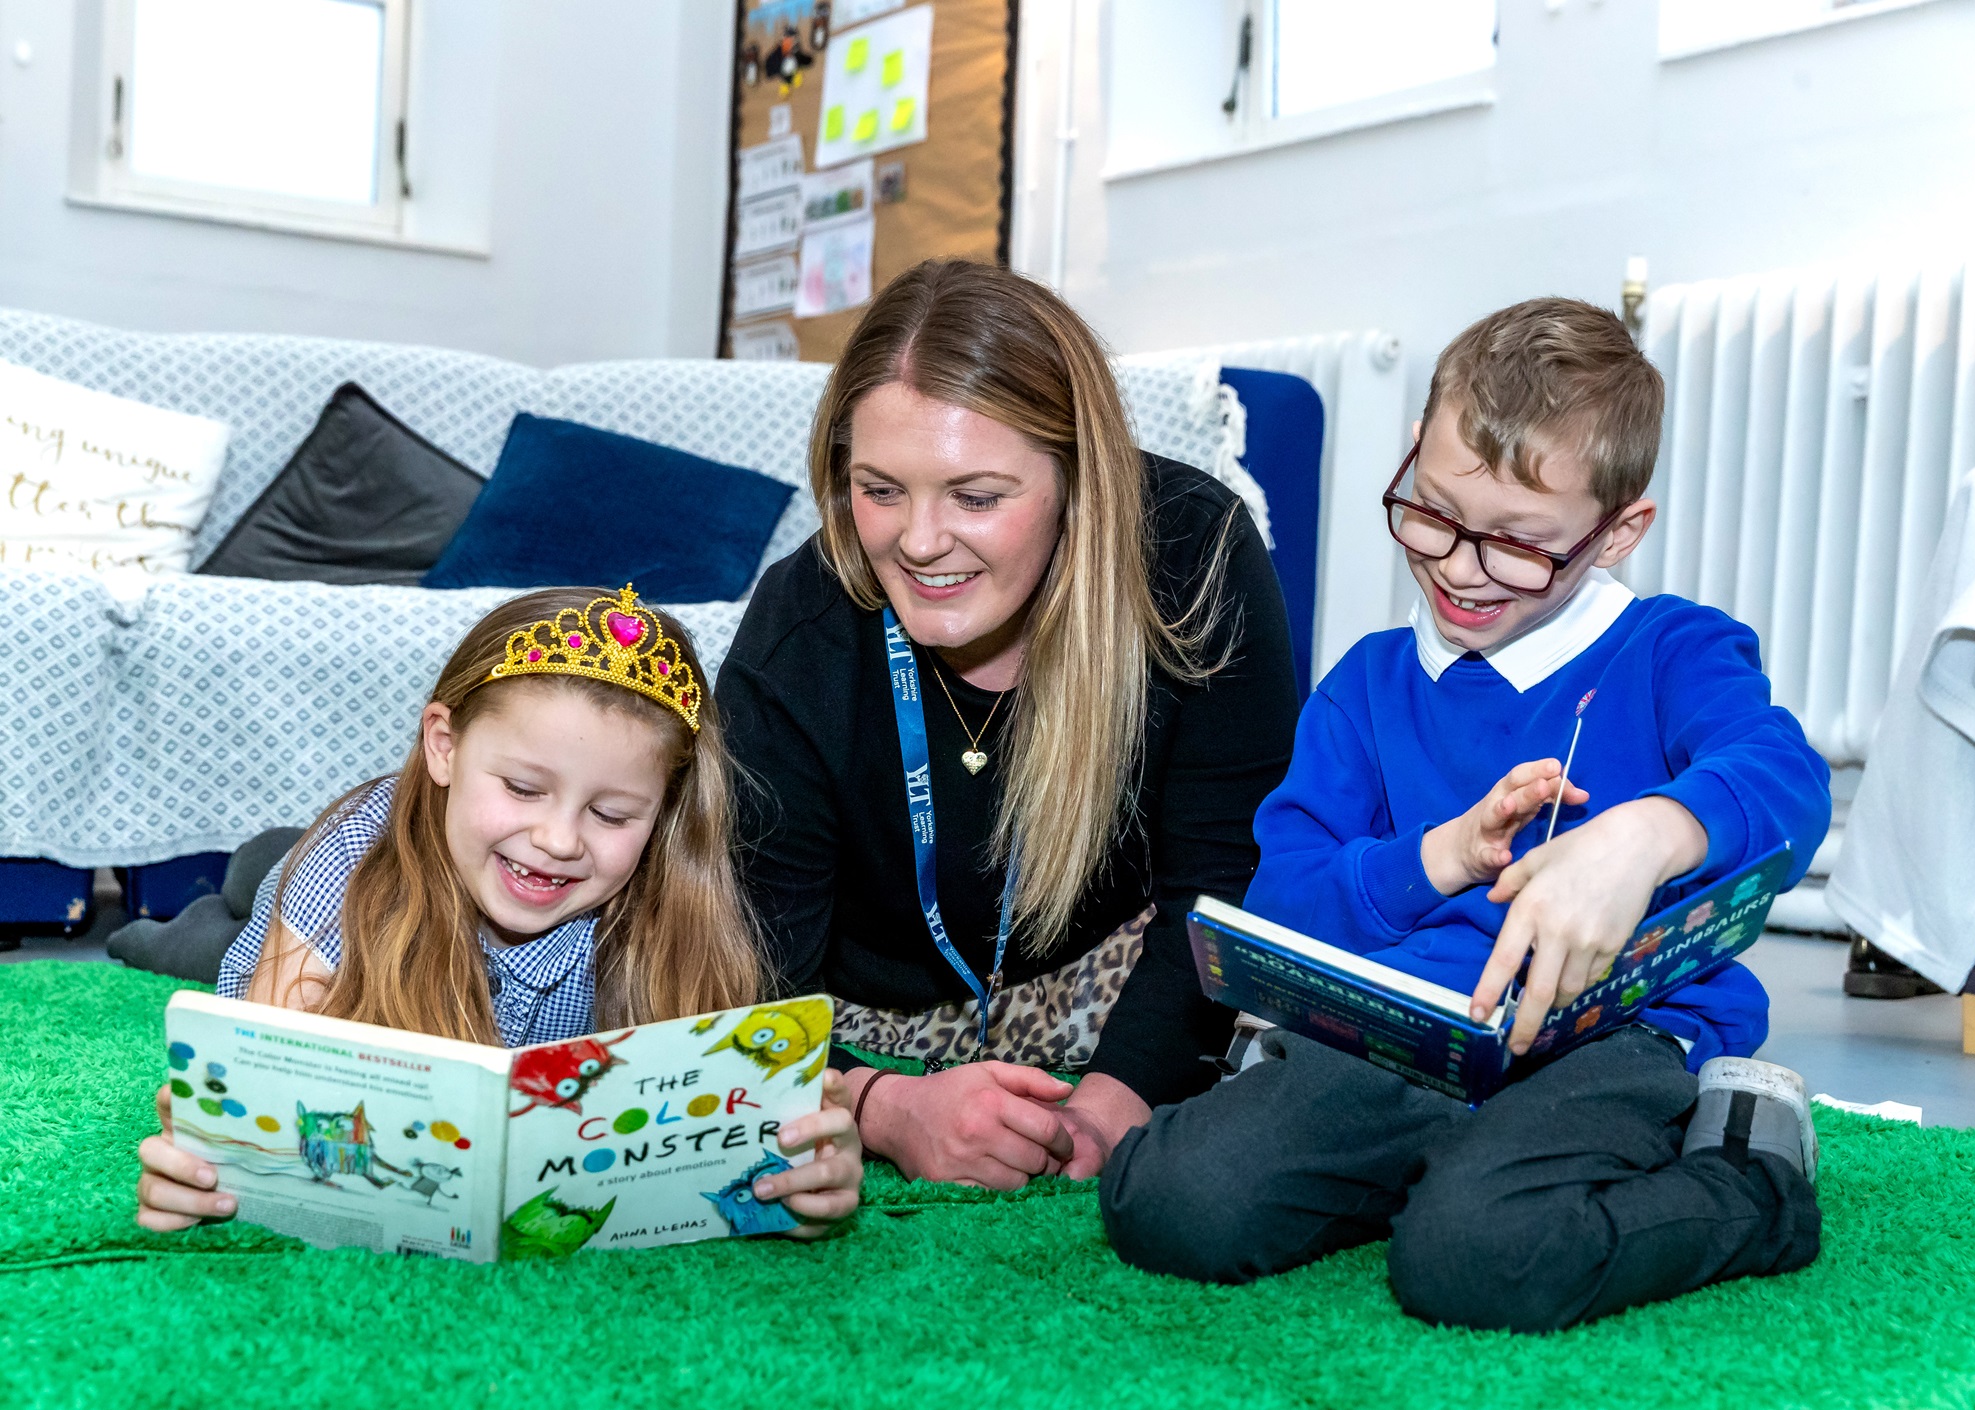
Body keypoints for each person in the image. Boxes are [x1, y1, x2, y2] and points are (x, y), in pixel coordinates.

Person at [1099, 298, 1833, 1332]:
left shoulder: (1673, 650)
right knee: (1164, 1198)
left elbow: (1783, 778)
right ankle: (1438, 1166)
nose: (1458, 566)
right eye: (1433, 513)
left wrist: (1644, 834)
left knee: (1473, 1259)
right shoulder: (1364, 686)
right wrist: (1435, 858)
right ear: (1411, 456)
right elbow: (1281, 905)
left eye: (1519, 545)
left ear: (1617, 531)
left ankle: (1752, 1178)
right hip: (1402, 1038)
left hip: (1610, 1034)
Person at [718, 259, 1297, 1189]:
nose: (918, 541)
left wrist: (1112, 1104)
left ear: (1079, 477)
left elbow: (1225, 880)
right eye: (879, 489)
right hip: (857, 1024)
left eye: (976, 498)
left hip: (1118, 990)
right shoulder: (803, 625)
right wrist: (882, 1107)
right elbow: (741, 970)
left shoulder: (1198, 553)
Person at [135, 586, 861, 1236]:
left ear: (663, 813)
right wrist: (207, 1154)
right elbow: (271, 1075)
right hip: (354, 872)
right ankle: (211, 912)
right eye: (521, 789)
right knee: (250, 891)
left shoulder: (669, 890)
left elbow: (737, 1125)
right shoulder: (348, 865)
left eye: (611, 813)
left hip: (460, 865)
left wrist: (802, 1175)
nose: (557, 839)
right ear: (444, 747)